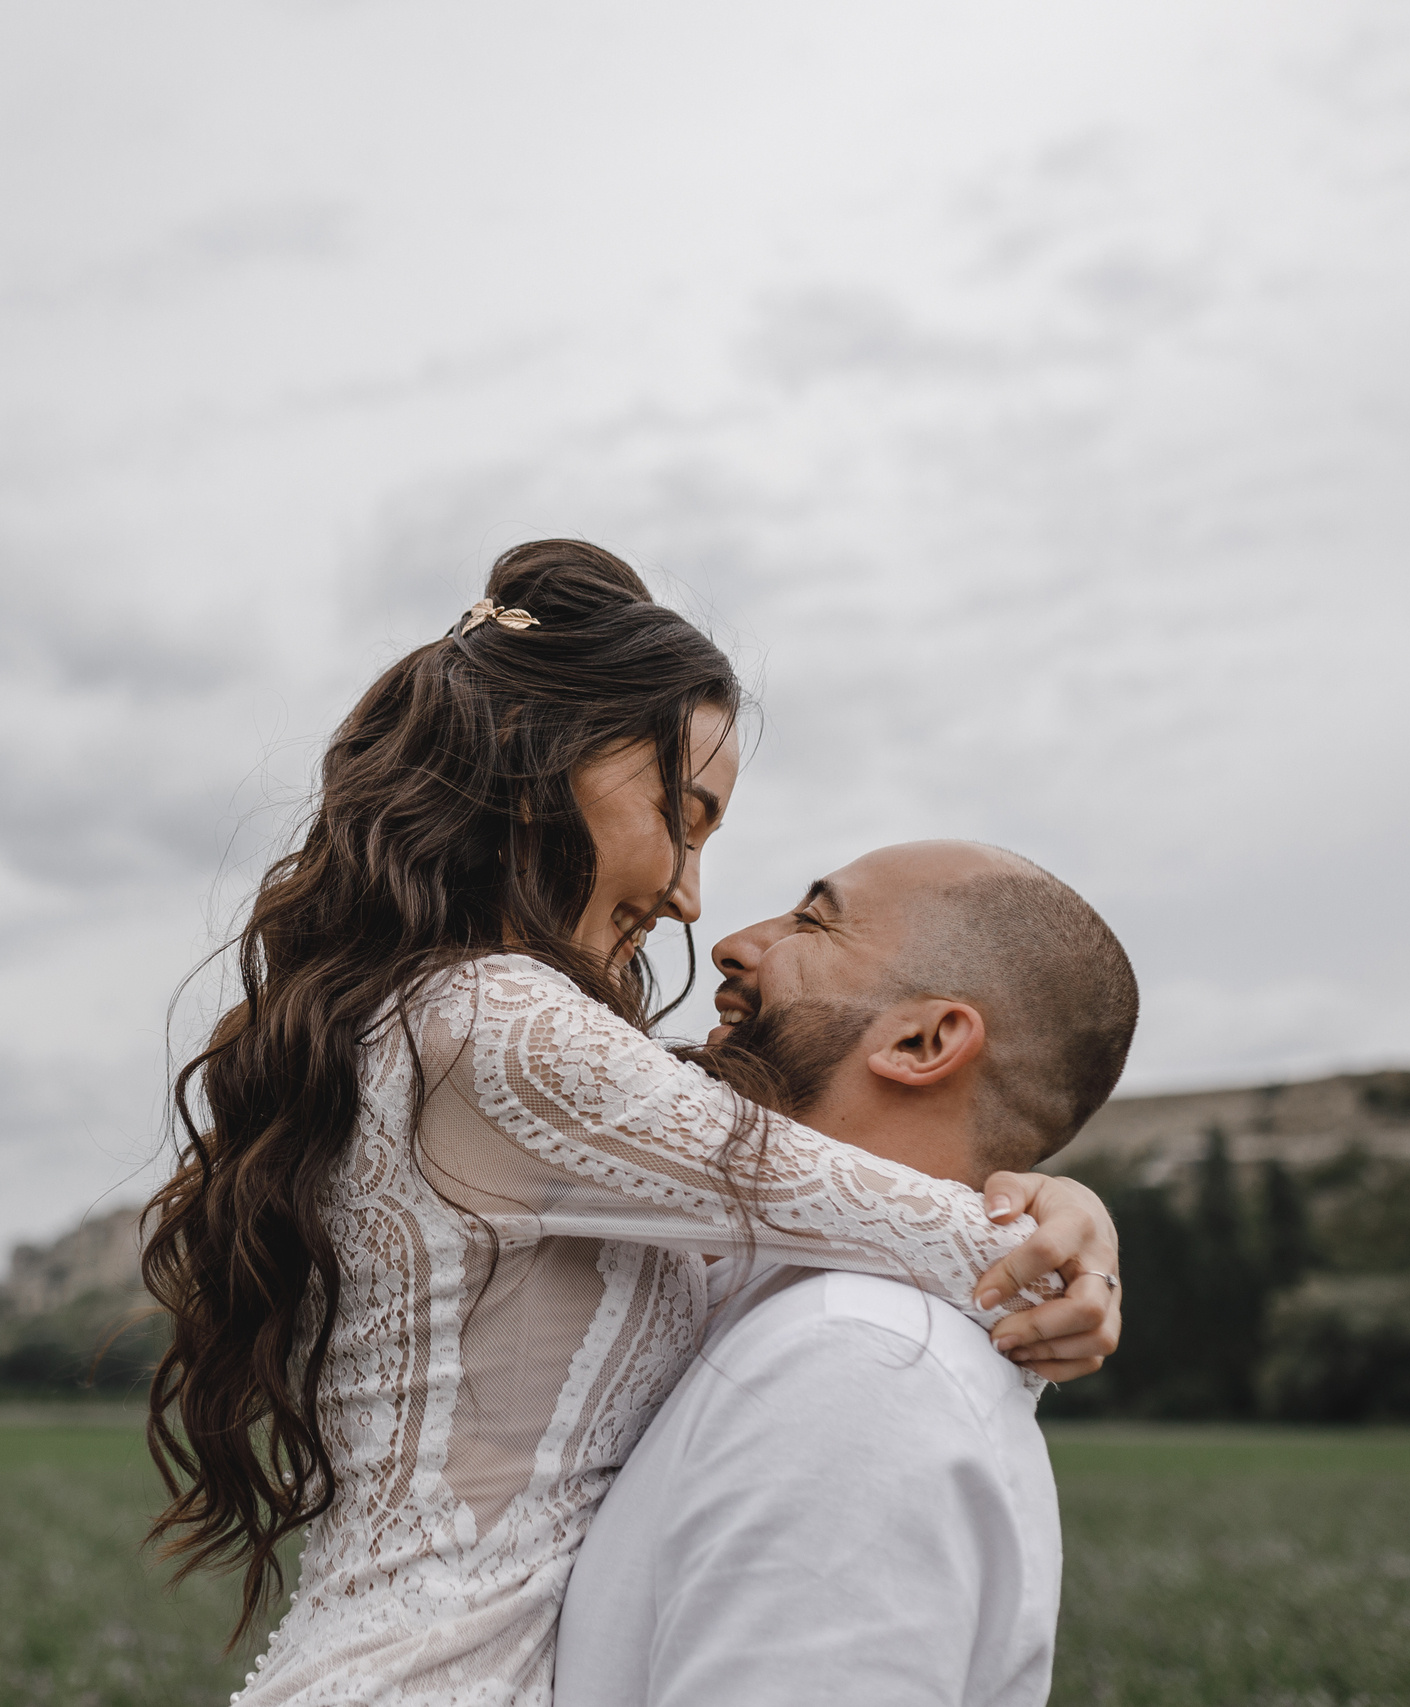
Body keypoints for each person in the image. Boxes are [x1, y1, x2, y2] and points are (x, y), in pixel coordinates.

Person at [141, 542, 1124, 1704]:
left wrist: (1047, 1196)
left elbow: (805, 1202)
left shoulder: (477, 1038)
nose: (692, 897)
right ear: (538, 765)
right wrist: (1060, 1241)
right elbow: (951, 1243)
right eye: (683, 815)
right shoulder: (499, 1023)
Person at [554, 841, 1138, 1707]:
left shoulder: (860, 1362)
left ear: (923, 1039)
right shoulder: (740, 1292)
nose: (735, 941)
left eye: (812, 919)